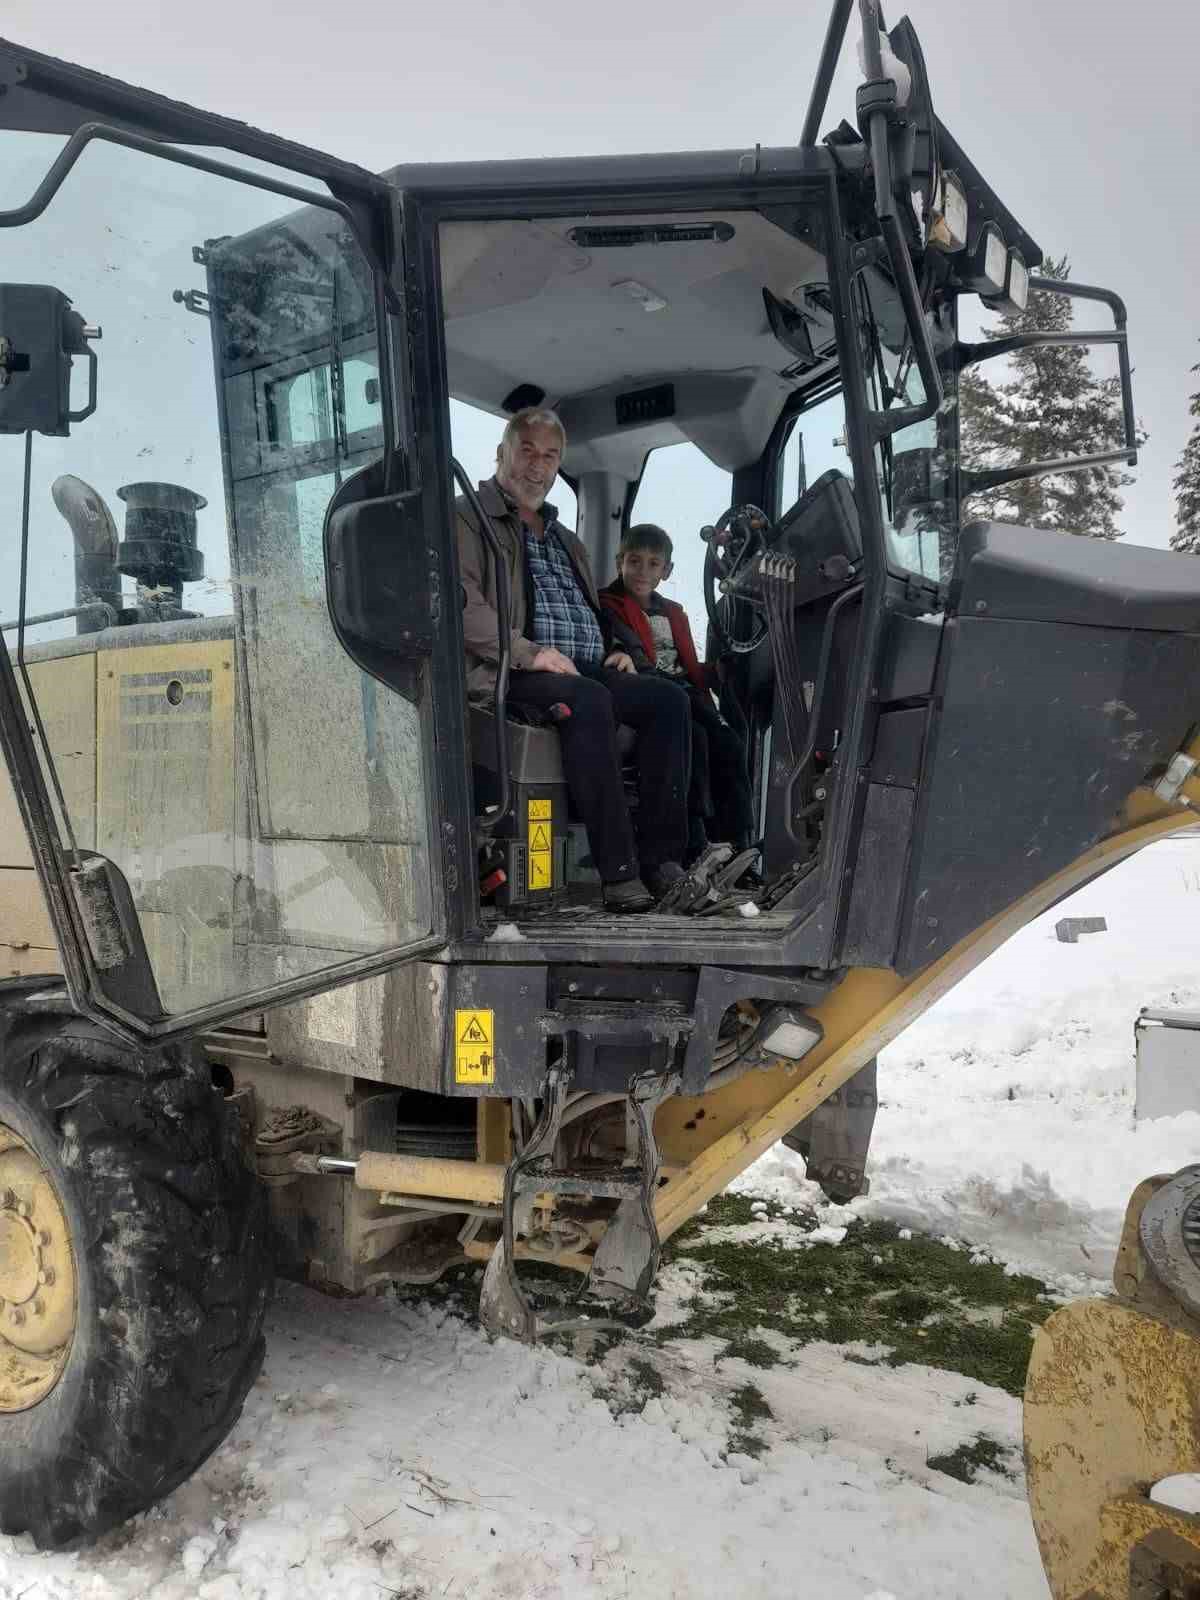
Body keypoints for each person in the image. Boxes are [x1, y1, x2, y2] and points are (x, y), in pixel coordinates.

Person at [456, 410, 690, 912]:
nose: (537, 465)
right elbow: (463, 610)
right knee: (589, 698)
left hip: (579, 664)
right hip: (508, 669)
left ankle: (663, 862)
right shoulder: (465, 519)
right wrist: (530, 652)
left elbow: (590, 610)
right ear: (501, 453)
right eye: (526, 450)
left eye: (550, 455)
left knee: (668, 699)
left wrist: (615, 648)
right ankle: (619, 874)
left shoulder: (568, 541)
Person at [600, 524, 755, 857]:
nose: (642, 571)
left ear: (666, 571)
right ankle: (695, 840)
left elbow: (686, 663)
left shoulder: (674, 613)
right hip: (650, 690)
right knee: (696, 739)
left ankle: (737, 842)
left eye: (653, 564)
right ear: (619, 563)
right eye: (634, 561)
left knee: (729, 743)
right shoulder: (609, 605)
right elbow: (624, 650)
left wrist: (714, 672)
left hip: (685, 689)